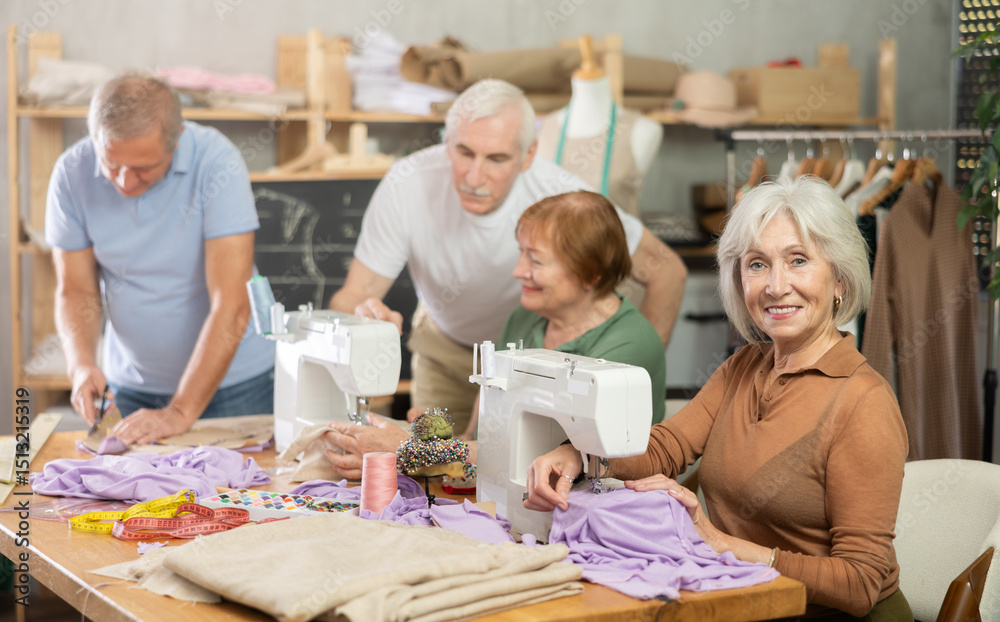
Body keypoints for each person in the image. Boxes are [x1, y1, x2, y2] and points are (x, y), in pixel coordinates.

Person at [524, 176, 913, 621]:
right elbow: (667, 448)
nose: (775, 286)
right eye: (757, 265)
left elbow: (859, 584)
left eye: (798, 260)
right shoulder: (743, 367)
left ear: (840, 278)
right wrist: (581, 456)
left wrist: (722, 543)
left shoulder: (864, 403)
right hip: (746, 598)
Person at [328, 78, 686, 436]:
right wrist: (362, 317)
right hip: (447, 346)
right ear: (446, 142)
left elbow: (667, 271)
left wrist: (636, 376)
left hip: (528, 353)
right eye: (464, 152)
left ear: (529, 154)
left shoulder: (560, 198)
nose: (473, 176)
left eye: (496, 158)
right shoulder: (407, 183)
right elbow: (354, 294)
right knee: (436, 475)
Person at [323, 190, 668, 479]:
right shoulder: (525, 319)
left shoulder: (627, 345)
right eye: (521, 253)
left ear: (590, 273)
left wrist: (412, 452)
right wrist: (434, 440)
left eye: (536, 260)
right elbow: (483, 433)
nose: (519, 271)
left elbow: (551, 458)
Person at [46, 74, 275, 446]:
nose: (123, 182)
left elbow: (231, 304)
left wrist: (181, 411)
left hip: (236, 387)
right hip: (130, 387)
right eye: (111, 163)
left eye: (142, 169)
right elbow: (75, 290)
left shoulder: (218, 162)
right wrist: (81, 364)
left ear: (177, 140)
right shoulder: (71, 173)